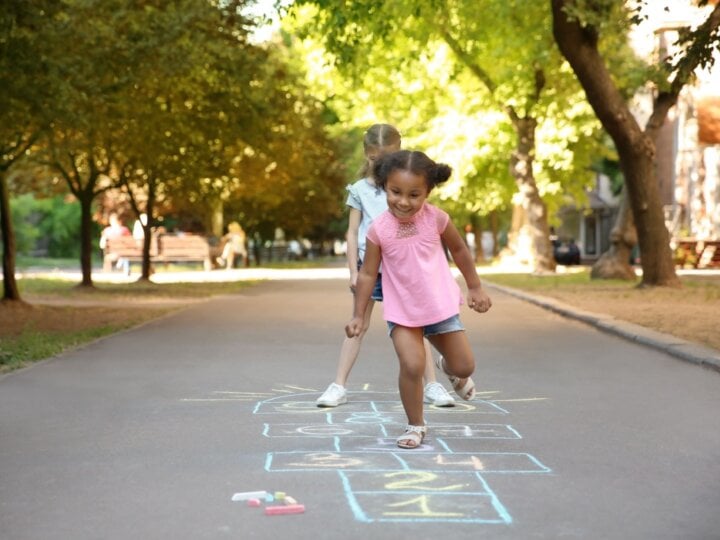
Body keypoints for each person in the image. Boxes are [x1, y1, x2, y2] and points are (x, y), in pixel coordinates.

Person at [346, 150, 492, 449]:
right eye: (395, 192)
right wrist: (359, 315)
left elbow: (460, 250)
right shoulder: (379, 230)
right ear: (385, 186)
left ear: (427, 192)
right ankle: (415, 425)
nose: (403, 201)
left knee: (464, 366)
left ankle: (449, 370)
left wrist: (475, 287)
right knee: (412, 365)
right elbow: (367, 274)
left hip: (439, 306)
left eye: (414, 194)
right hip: (402, 312)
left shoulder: (436, 218)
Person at [317, 124, 456, 409]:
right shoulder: (359, 190)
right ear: (366, 155)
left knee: (419, 326)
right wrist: (353, 272)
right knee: (358, 324)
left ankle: (433, 385)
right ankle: (338, 385)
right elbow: (352, 232)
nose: (379, 165)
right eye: (374, 159)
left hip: (405, 268)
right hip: (372, 267)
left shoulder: (405, 185)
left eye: (386, 158)